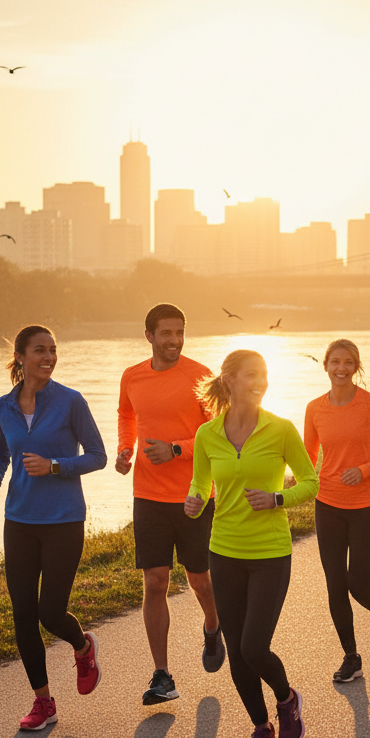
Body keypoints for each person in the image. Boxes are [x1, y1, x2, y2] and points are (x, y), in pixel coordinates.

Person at [185, 350, 318, 738]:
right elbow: (201, 483)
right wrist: (193, 500)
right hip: (224, 551)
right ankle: (262, 730)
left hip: (269, 553)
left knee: (254, 646)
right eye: (251, 375)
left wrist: (278, 497)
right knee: (237, 651)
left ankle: (287, 698)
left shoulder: (280, 429)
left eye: (264, 374)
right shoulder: (208, 434)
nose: (260, 381)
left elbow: (312, 482)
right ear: (229, 380)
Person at [0, 325, 107, 731]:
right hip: (18, 520)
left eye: (53, 349)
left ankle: (83, 646)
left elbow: (98, 456)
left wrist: (56, 467)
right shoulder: (3, 406)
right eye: (40, 350)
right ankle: (44, 702)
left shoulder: (70, 402)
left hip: (64, 520)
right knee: (22, 615)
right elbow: (1, 452)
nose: (49, 357)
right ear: (20, 357)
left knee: (50, 612)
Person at [117, 303, 224, 707]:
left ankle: (212, 626)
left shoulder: (200, 376)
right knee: (155, 581)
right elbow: (127, 416)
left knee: (199, 580)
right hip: (147, 495)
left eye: (179, 332)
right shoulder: (132, 376)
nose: (174, 340)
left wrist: (177, 448)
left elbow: (217, 435)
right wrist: (126, 450)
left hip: (194, 496)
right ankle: (162, 674)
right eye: (166, 333)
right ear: (149, 336)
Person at [305, 339, 370, 683]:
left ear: (356, 367)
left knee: (358, 582)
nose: (341, 368)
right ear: (326, 365)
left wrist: (363, 470)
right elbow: (305, 458)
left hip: (365, 506)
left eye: (348, 362)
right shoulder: (315, 408)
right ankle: (351, 656)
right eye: (335, 362)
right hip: (327, 504)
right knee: (335, 585)